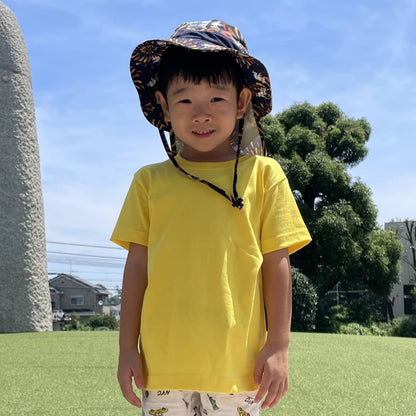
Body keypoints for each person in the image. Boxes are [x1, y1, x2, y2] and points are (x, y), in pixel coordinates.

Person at [111, 20, 311, 416]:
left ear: (241, 102)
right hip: (162, 366)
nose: (201, 114)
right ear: (164, 106)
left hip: (239, 367)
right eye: (185, 100)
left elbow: (277, 263)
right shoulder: (148, 182)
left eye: (217, 99)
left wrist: (279, 345)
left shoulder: (265, 175)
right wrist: (126, 348)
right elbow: (137, 268)